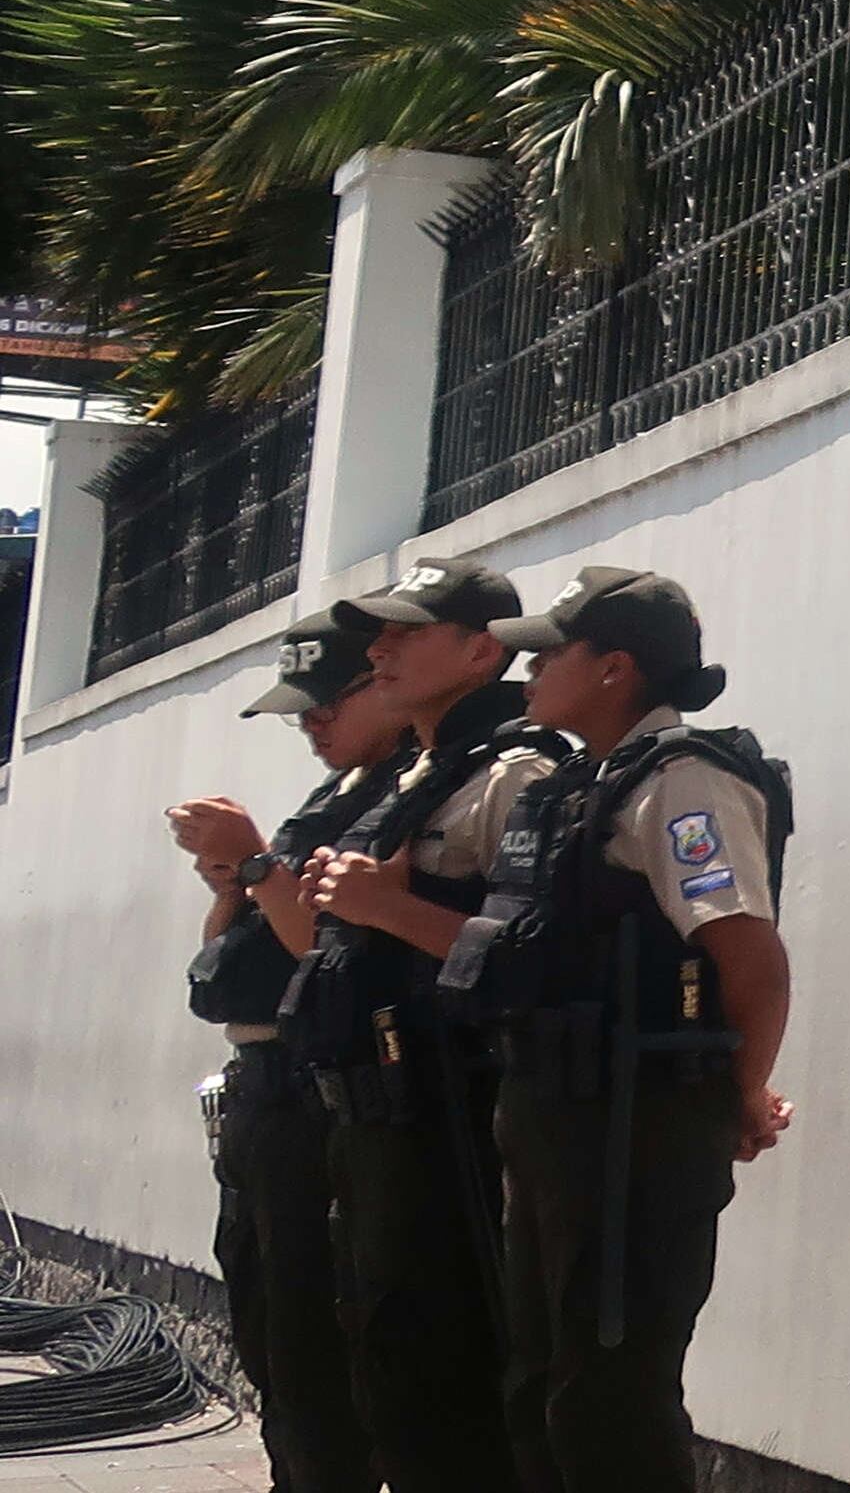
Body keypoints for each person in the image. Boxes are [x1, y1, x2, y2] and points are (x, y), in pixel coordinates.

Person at [437, 566, 793, 1493]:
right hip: (558, 1118)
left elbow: (749, 957)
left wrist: (738, 1095)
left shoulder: (685, 783)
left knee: (609, 1400)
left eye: (551, 652)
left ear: (614, 668)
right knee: (540, 1389)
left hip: (635, 1129)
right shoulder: (582, 785)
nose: (527, 673)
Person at [292, 561, 565, 1493]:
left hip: (455, 1121)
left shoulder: (517, 773)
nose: (379, 650)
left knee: (453, 1378)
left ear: (484, 651)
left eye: (408, 632)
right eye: (381, 634)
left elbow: (533, 963)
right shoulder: (414, 774)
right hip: (378, 1118)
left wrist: (385, 907)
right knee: (390, 1371)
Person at [168, 608, 412, 1493]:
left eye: (322, 708)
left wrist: (260, 867)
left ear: (381, 685)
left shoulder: (401, 798)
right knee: (268, 1327)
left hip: (319, 1092)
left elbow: (335, 955)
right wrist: (233, 880)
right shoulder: (333, 798)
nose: (310, 728)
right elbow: (221, 971)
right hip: (261, 1088)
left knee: (315, 1334)